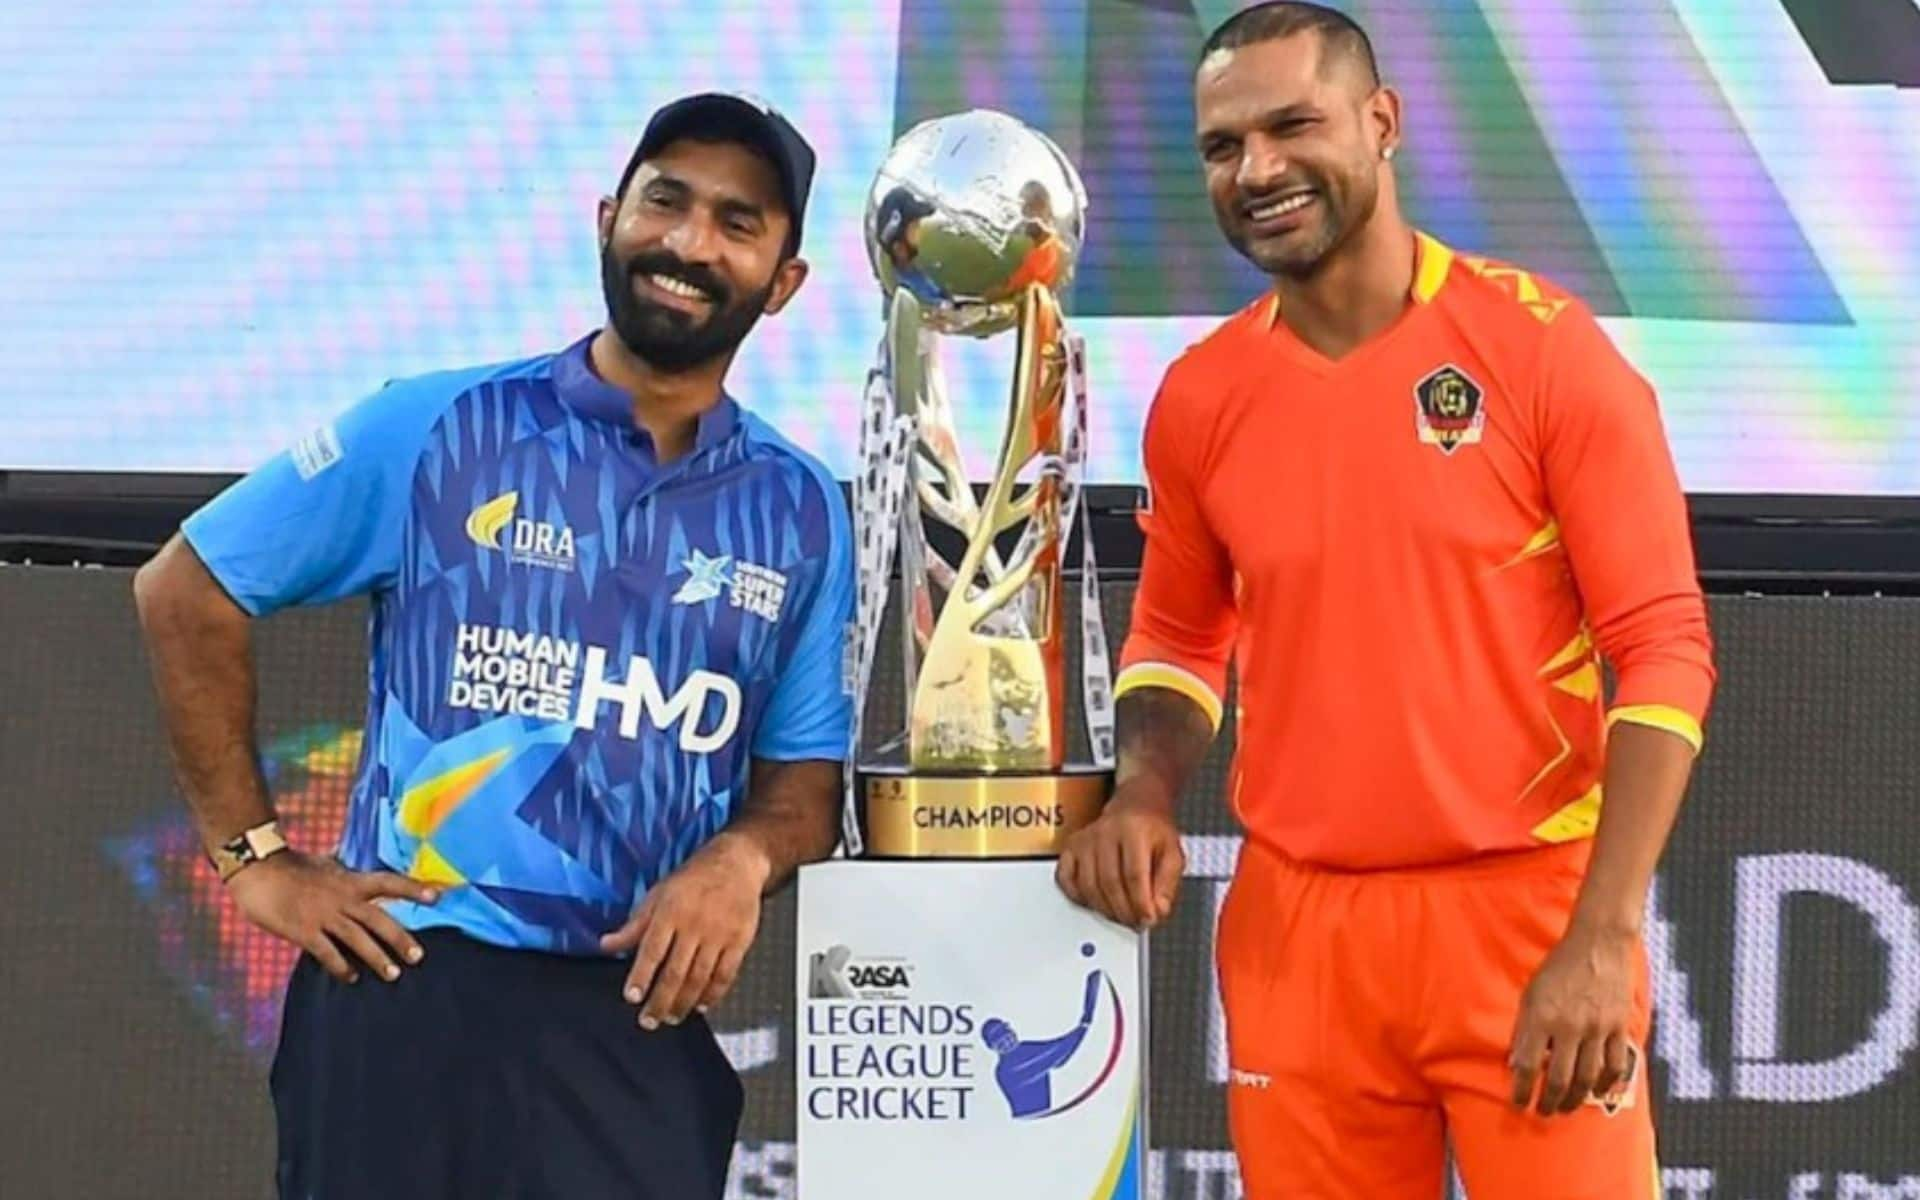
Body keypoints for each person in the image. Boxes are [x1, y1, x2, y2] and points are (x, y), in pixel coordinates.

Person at [133, 91, 853, 1200]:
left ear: (785, 281)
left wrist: (740, 861)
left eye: (738, 221)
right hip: (409, 985)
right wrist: (256, 862)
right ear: (609, 216)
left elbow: (805, 786)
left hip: (630, 1018)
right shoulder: (438, 425)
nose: (688, 243)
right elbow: (187, 588)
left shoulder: (801, 509)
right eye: (666, 201)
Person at [1054, 5, 1715, 1199]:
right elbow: (1178, 637)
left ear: (1382, 122)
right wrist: (1142, 792)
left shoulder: (1544, 350)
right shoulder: (1203, 397)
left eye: (1292, 125)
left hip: (1526, 917)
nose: (1257, 170)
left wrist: (1604, 937)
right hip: (1298, 931)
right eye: (1221, 146)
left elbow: (1664, 647)